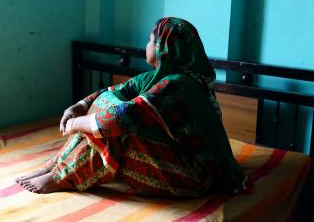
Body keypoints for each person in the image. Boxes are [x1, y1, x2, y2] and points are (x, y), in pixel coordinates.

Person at [16, 17, 249, 197]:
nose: (146, 44)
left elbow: (122, 117)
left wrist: (76, 124)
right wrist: (79, 106)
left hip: (194, 177)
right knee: (107, 109)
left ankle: (62, 177)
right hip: (176, 156)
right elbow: (112, 92)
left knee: (116, 127)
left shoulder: (179, 84)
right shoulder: (156, 78)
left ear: (162, 46)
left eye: (150, 40)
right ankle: (56, 165)